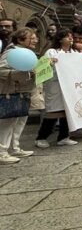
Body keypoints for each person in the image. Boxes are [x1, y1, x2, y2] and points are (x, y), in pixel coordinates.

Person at [0, 28, 38, 163]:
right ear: (20, 40)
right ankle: (2, 152)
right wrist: (21, 74)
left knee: (19, 121)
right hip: (10, 91)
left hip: (23, 91)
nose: (35, 40)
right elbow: (1, 70)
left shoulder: (27, 52)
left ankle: (14, 147)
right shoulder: (11, 52)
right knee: (8, 122)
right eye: (31, 38)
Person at [36, 29, 79, 148]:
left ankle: (64, 137)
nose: (70, 38)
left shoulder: (74, 52)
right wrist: (50, 62)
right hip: (55, 85)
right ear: (60, 39)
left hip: (70, 86)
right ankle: (41, 137)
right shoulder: (52, 51)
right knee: (53, 113)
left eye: (71, 36)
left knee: (67, 113)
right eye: (67, 36)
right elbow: (42, 65)